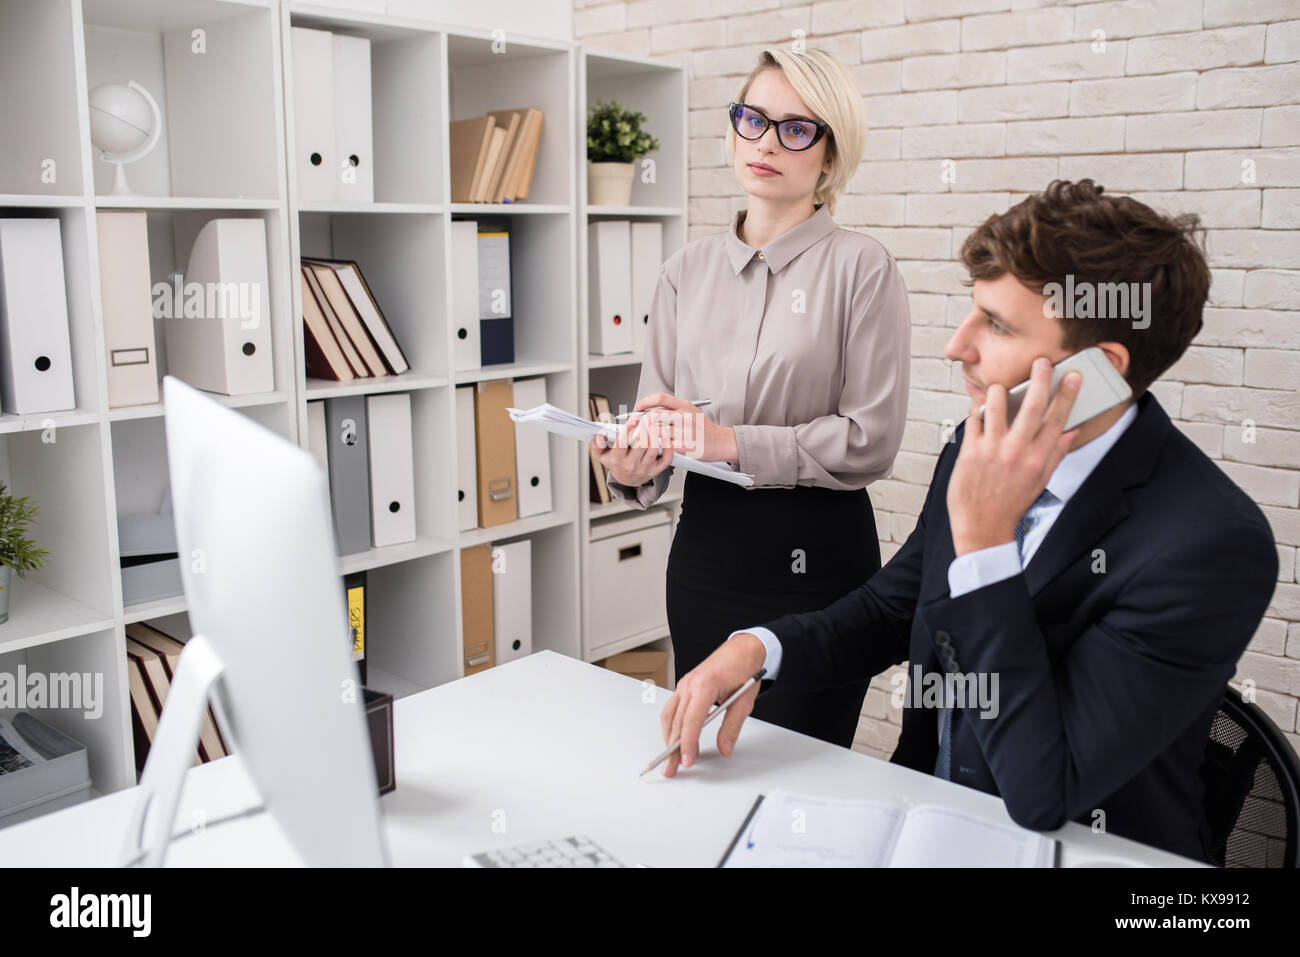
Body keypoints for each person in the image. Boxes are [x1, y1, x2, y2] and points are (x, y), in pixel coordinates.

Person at [657, 179, 1280, 863]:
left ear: (1097, 372)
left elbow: (1046, 788)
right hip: (935, 823)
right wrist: (759, 650)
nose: (958, 346)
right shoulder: (977, 439)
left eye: (999, 326)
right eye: (972, 313)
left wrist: (985, 541)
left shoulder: (1212, 543)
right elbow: (894, 609)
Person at [591, 48, 910, 749]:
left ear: (830, 157)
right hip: (706, 558)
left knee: (799, 771)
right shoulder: (684, 272)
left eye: (797, 128)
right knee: (707, 762)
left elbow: (871, 438)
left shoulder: (863, 267)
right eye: (753, 119)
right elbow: (660, 423)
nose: (767, 141)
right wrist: (633, 464)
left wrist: (725, 441)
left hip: (819, 570)